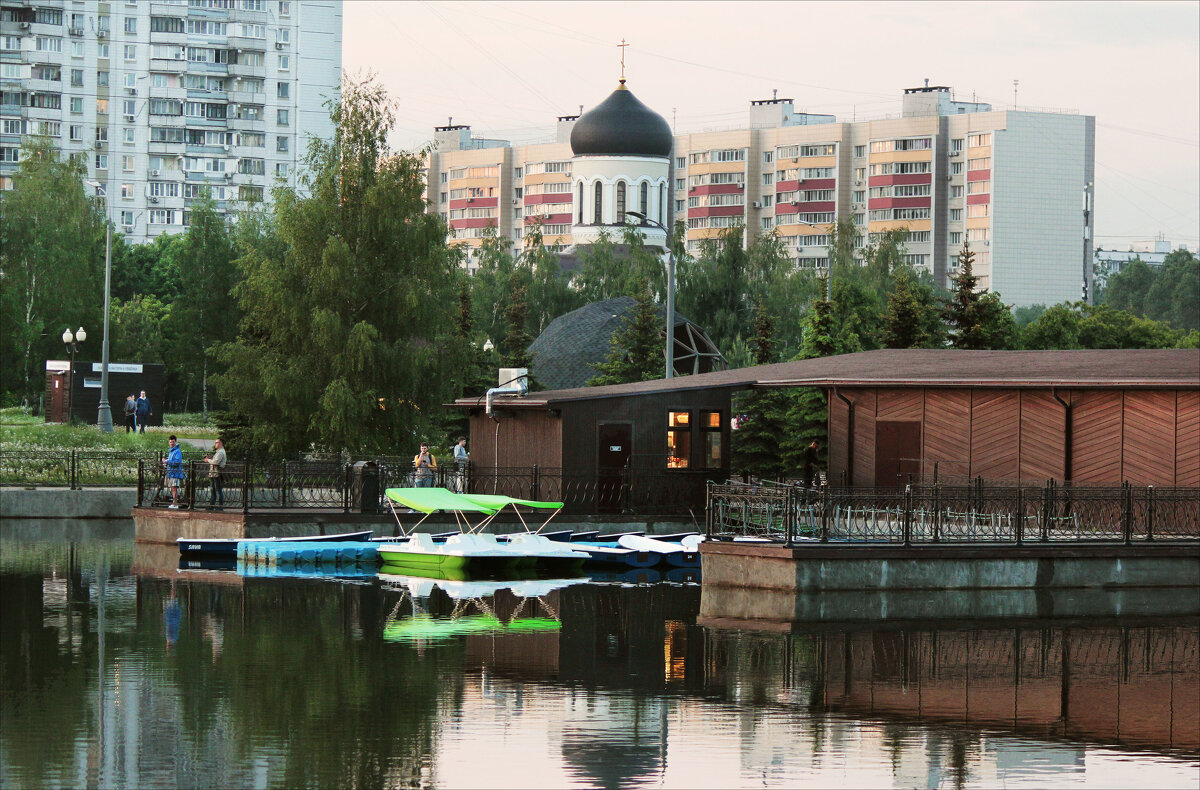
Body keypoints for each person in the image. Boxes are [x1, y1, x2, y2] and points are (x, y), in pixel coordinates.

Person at [203, 437, 227, 509]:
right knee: (213, 490)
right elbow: (214, 460)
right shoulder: (219, 452)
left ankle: (220, 506)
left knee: (218, 490)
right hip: (214, 473)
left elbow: (215, 462)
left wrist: (208, 460)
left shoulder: (220, 452)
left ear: (221, 443)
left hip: (217, 474)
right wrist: (210, 458)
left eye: (217, 442)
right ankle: (212, 505)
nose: (215, 444)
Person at [165, 435, 185, 508]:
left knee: (174, 488)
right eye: (170, 442)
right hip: (171, 472)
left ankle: (175, 503)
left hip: (175, 473)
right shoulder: (171, 451)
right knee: (172, 488)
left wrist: (167, 461)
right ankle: (174, 502)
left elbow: (177, 462)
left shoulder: (177, 451)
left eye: (173, 442)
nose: (171, 444)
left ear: (175, 442)